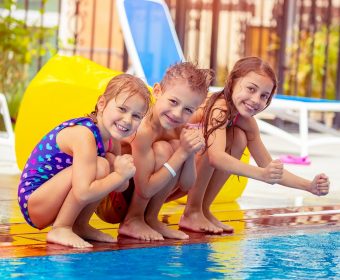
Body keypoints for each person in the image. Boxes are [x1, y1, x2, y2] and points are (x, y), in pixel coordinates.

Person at [178, 56, 330, 234]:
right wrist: (261, 174)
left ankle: (203, 210)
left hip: (185, 169)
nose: (256, 100)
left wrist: (309, 186)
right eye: (251, 89)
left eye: (264, 96)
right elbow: (216, 157)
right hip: (171, 168)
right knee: (211, 144)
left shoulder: (244, 122)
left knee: (238, 138)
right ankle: (192, 212)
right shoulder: (219, 107)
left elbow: (267, 165)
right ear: (232, 81)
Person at [17, 74, 150, 248]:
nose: (127, 120)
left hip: (51, 199)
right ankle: (61, 228)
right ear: (102, 104)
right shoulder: (84, 135)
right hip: (34, 203)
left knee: (105, 163)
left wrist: (122, 173)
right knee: (101, 165)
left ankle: (79, 225)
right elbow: (83, 192)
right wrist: (119, 175)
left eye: (136, 116)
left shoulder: (112, 140)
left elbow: (119, 187)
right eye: (122, 109)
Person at [96, 62, 213, 241]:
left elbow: (187, 185)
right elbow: (145, 188)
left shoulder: (180, 127)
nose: (177, 113)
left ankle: (150, 218)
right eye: (173, 102)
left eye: (188, 110)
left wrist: (188, 152)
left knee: (176, 146)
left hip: (137, 189)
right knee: (164, 149)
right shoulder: (143, 128)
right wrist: (181, 153)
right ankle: (133, 219)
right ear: (157, 92)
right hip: (111, 197)